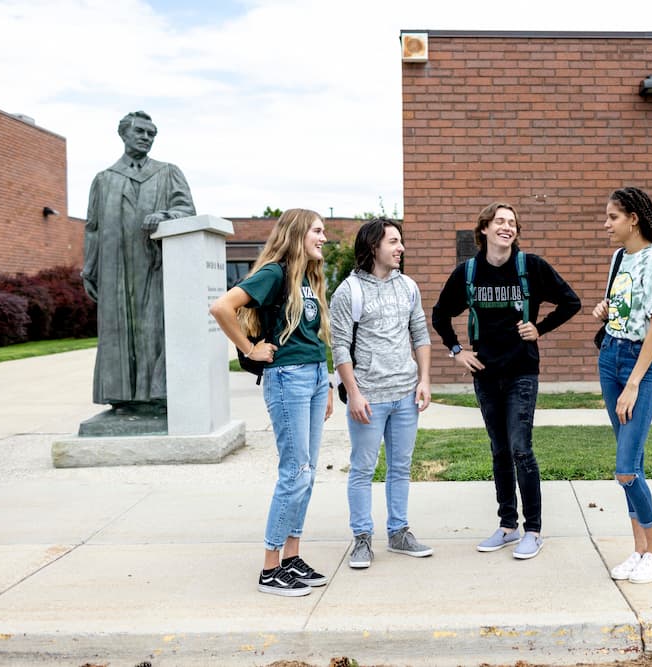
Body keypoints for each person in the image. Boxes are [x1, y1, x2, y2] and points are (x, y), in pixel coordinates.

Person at [431, 202, 581, 560]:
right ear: (484, 229)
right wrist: (457, 351)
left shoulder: (531, 267)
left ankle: (533, 530)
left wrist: (538, 328)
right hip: (484, 373)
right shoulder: (468, 273)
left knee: (520, 448)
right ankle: (507, 526)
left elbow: (570, 302)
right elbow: (439, 314)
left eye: (512, 222)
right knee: (499, 451)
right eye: (499, 221)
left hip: (522, 372)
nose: (507, 227)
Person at [209, 208, 334, 597]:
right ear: (297, 233)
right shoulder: (275, 273)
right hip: (288, 379)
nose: (324, 238)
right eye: (317, 230)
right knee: (294, 471)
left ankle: (292, 557)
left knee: (307, 472)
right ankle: (269, 568)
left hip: (312, 376)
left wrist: (327, 382)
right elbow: (221, 307)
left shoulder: (308, 277)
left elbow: (314, 336)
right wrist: (249, 348)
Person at [330, 217, 433, 569]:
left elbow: (420, 334)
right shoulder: (349, 291)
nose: (400, 247)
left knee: (400, 468)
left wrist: (424, 380)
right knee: (362, 468)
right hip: (369, 398)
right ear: (374, 246)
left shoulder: (408, 287)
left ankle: (399, 532)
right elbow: (340, 347)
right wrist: (354, 393)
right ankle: (361, 539)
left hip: (406, 395)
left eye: (400, 241)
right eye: (393, 242)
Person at [591, 186, 652, 585]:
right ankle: (639, 549)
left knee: (626, 469)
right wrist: (605, 310)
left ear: (633, 219)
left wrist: (633, 384)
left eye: (612, 217)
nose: (606, 224)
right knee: (634, 463)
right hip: (610, 354)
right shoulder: (618, 259)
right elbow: (624, 309)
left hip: (638, 364)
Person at [82, 110, 195, 415]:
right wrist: (88, 268)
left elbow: (187, 209)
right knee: (117, 331)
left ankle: (157, 396)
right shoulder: (104, 179)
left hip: (153, 265)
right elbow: (92, 227)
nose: (147, 138)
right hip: (114, 268)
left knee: (152, 328)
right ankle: (121, 398)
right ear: (124, 134)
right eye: (141, 132)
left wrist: (166, 215)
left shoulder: (168, 172)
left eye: (151, 133)